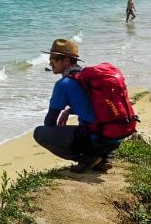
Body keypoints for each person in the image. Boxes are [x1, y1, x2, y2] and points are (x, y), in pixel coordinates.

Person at [32, 39, 121, 173]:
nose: (50, 63)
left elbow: (49, 122)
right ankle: (104, 157)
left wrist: (59, 129)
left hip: (94, 138)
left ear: (67, 61)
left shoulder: (63, 84)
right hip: (115, 137)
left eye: (54, 59)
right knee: (89, 128)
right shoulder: (87, 77)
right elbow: (91, 104)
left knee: (39, 132)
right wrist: (69, 110)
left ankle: (87, 157)